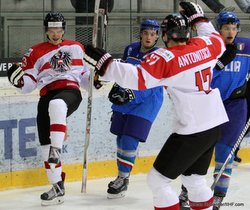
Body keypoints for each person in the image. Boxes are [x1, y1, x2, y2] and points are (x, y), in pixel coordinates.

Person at [83, 2, 229, 209]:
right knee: (194, 180)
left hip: (192, 130)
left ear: (166, 36)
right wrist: (199, 18)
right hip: (214, 124)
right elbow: (216, 38)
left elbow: (138, 78)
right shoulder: (206, 45)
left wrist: (105, 64)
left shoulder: (167, 58)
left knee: (158, 181)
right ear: (187, 32)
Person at [7, 12, 101, 206]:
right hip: (46, 94)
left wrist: (96, 81)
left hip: (69, 91)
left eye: (58, 29)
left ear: (63, 29)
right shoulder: (34, 52)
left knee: (57, 105)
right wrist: (17, 82)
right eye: (51, 29)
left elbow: (85, 79)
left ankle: (56, 149)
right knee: (44, 148)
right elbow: (28, 86)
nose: (55, 33)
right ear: (46, 30)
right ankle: (57, 186)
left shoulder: (76, 47)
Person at [179, 11, 250, 210]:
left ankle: (219, 193)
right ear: (218, 29)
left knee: (225, 151)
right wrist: (220, 63)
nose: (231, 32)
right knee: (197, 149)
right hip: (208, 102)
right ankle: (187, 191)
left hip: (235, 104)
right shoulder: (208, 46)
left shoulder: (247, 46)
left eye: (234, 28)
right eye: (226, 28)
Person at [107, 19, 164, 199]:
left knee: (130, 138)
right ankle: (120, 175)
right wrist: (116, 87)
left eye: (153, 34)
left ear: (157, 37)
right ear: (140, 34)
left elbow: (153, 83)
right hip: (127, 98)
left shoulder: (159, 54)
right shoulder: (130, 49)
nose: (149, 37)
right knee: (121, 136)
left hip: (148, 100)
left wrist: (132, 94)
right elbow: (123, 72)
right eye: (146, 33)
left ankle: (124, 179)